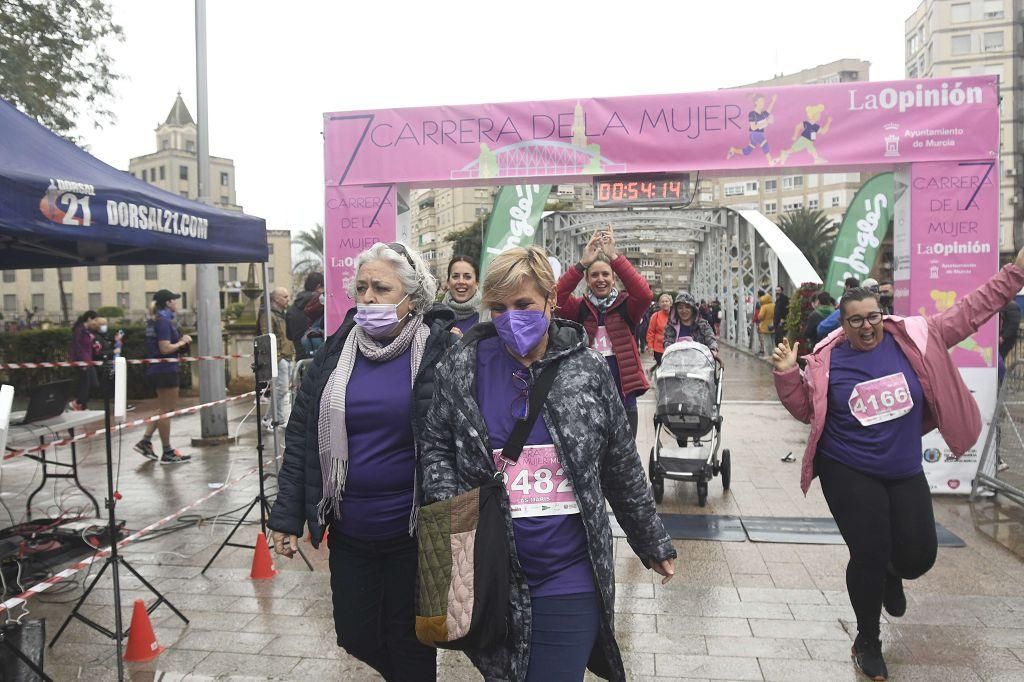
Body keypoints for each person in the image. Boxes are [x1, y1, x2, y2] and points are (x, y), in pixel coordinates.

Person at [419, 246, 676, 682]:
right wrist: (452, 513)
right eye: (498, 307)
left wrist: (651, 541)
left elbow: (620, 464)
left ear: (550, 302)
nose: (510, 317)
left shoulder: (588, 370)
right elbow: (436, 447)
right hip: (488, 568)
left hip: (568, 571)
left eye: (523, 305)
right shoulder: (461, 367)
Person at [771, 248, 1024, 681]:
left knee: (919, 556)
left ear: (882, 315)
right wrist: (788, 375)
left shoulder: (916, 339)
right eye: (855, 320)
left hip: (903, 466)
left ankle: (894, 572)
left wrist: (1015, 273)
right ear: (843, 324)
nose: (866, 326)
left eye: (873, 317)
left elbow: (971, 312)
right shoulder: (827, 360)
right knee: (867, 552)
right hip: (847, 467)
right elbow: (805, 411)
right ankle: (867, 640)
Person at [268, 242, 454, 681]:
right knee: (357, 635)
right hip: (351, 529)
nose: (368, 297)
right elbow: (301, 439)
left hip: (416, 534)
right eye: (362, 287)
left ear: (412, 298)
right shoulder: (334, 355)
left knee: (411, 643)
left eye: (382, 288)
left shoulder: (441, 352)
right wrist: (287, 515)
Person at [555, 225, 652, 436]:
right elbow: (555, 298)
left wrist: (614, 257)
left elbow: (644, 294)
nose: (600, 279)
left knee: (624, 461)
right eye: (594, 275)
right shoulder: (579, 308)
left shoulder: (626, 306)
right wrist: (582, 264)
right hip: (587, 398)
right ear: (587, 281)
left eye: (606, 274)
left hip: (624, 397)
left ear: (614, 279)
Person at [134, 291, 192, 464]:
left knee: (163, 409)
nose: (176, 303)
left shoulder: (156, 320)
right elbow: (165, 348)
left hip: (160, 369)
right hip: (166, 369)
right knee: (167, 411)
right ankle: (167, 452)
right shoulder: (163, 321)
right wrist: (183, 342)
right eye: (174, 300)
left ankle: (145, 441)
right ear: (167, 302)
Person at [257, 287, 296, 431]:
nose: (287, 299)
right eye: (285, 297)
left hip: (286, 356)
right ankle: (278, 420)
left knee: (281, 390)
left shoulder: (281, 314)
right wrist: (278, 357)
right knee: (281, 390)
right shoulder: (268, 315)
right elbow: (267, 337)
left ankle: (268, 418)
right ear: (276, 299)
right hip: (280, 358)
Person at [664, 292, 721, 362]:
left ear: (693, 309)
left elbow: (711, 339)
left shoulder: (703, 325)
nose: (684, 311)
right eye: (680, 308)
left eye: (687, 307)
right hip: (677, 364)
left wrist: (713, 349)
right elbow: (668, 343)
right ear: (676, 310)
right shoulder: (671, 326)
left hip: (700, 365)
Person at [441, 255, 489, 335]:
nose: (461, 281)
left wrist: (462, 344)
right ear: (448, 282)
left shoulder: (488, 316)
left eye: (467, 277)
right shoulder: (435, 315)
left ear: (477, 283)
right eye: (455, 276)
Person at [286, 272, 324, 360]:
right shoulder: (321, 304)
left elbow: (289, 336)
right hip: (319, 357)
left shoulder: (291, 308)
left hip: (300, 357)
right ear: (318, 286)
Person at [68, 310, 101, 410]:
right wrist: (81, 363)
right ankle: (79, 404)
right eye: (95, 320)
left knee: (94, 384)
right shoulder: (79, 330)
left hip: (88, 361)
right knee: (85, 384)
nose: (96, 323)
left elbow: (87, 346)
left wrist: (95, 346)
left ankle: (79, 403)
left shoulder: (88, 332)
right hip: (82, 361)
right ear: (89, 319)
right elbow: (77, 347)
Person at [646, 293, 674, 369]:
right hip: (659, 349)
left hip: (673, 348)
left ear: (670, 303)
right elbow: (651, 332)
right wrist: (650, 346)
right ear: (659, 304)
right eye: (662, 301)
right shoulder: (655, 316)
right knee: (662, 369)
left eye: (666, 301)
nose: (665, 303)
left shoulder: (675, 315)